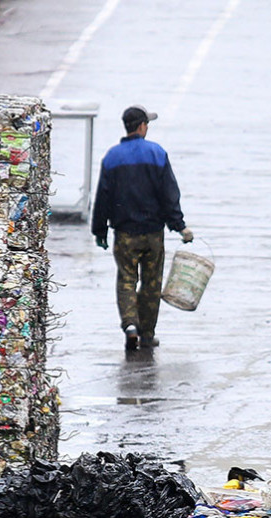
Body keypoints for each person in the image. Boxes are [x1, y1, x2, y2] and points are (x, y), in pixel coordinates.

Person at [92, 105, 193, 350]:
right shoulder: (156, 154)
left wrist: (100, 230)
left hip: (125, 233)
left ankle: (130, 325)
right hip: (152, 234)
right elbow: (169, 194)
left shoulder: (112, 157)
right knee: (151, 283)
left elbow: (103, 197)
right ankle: (147, 334)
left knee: (126, 279)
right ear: (141, 126)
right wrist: (180, 226)